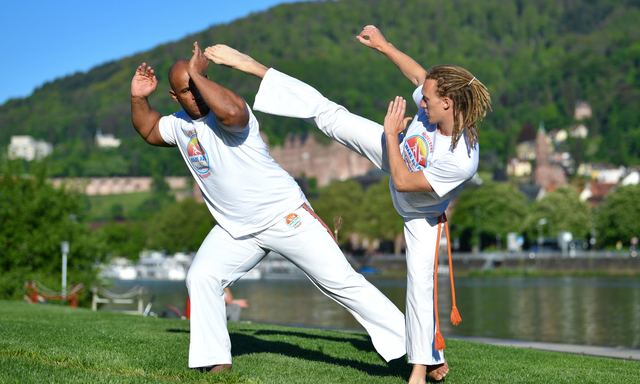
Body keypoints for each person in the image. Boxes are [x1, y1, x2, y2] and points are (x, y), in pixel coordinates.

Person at [204, 24, 490, 383]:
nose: (422, 101)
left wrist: (389, 133)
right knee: (329, 113)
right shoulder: (436, 99)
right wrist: (384, 46)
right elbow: (419, 73)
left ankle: (421, 367)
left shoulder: (462, 158)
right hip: (397, 152)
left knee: (420, 286)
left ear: (447, 103)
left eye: (428, 100)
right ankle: (255, 67)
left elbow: (403, 182)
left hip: (420, 212)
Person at [130, 41, 407, 373]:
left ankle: (418, 347)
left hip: (285, 215)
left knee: (341, 281)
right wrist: (138, 97)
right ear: (175, 97)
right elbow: (147, 128)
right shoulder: (179, 125)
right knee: (202, 276)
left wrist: (197, 76)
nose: (197, 93)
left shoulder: (230, 109)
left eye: (199, 82)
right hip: (237, 229)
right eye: (187, 90)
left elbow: (230, 113)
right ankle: (215, 364)